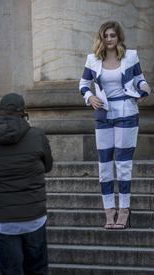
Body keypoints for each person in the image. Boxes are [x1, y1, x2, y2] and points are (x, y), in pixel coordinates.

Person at [79, 21, 150, 229]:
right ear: (101, 38)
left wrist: (144, 88)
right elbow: (83, 84)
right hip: (103, 114)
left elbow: (139, 79)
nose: (109, 39)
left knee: (123, 163)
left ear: (119, 37)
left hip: (127, 112)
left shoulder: (131, 56)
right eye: (105, 36)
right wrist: (90, 97)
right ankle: (109, 210)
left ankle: (125, 209)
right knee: (104, 164)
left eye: (113, 35)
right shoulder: (92, 60)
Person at [0, 93, 53, 274]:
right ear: (24, 113)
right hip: (33, 216)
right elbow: (48, 166)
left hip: (2, 218)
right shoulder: (37, 135)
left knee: (10, 270)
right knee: (37, 269)